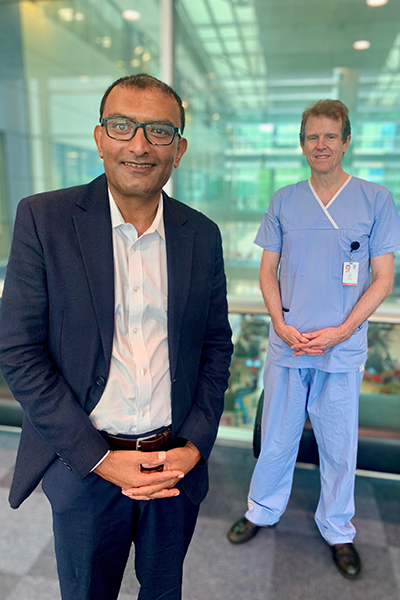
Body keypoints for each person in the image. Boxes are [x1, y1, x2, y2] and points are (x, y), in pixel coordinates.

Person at [0, 74, 233, 600]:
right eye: (123, 126)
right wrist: (99, 459)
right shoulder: (44, 219)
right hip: (84, 465)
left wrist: (194, 444)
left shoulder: (202, 234)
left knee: (163, 592)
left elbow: (217, 347)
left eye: (159, 131)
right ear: (100, 137)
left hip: (173, 466)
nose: (139, 144)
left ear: (180, 149)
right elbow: (18, 351)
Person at [227, 99, 400, 579]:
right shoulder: (284, 199)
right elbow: (268, 272)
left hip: (341, 347)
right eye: (311, 137)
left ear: (347, 141)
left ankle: (338, 529)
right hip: (290, 341)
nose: (320, 145)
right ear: (302, 143)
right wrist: (279, 326)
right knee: (277, 436)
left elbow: (382, 279)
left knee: (339, 443)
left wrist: (343, 331)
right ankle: (261, 509)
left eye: (330, 136)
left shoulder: (376, 199)